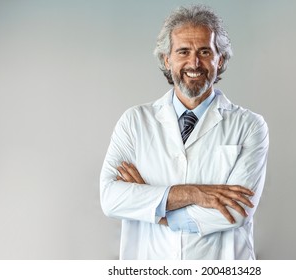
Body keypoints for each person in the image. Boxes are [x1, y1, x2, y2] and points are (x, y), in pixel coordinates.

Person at [100, 5, 269, 260]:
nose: (194, 63)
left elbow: (235, 212)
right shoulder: (135, 122)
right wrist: (192, 193)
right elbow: (111, 198)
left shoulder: (250, 126)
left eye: (204, 51)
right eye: (183, 51)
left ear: (220, 59)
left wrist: (151, 206)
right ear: (167, 59)